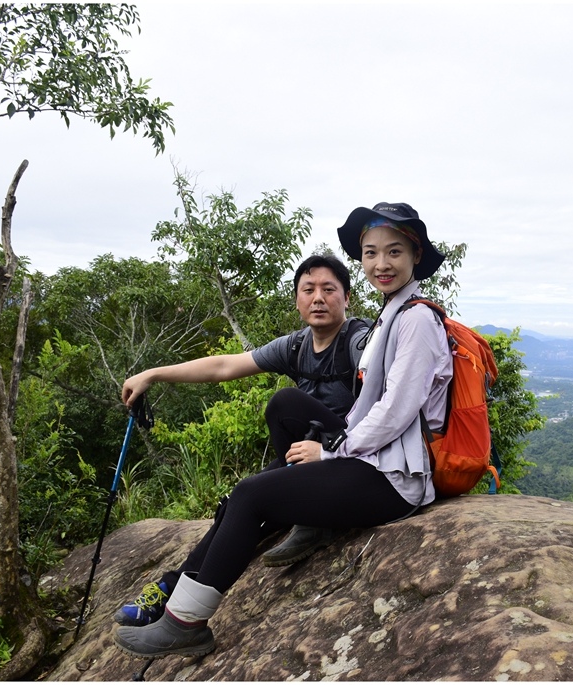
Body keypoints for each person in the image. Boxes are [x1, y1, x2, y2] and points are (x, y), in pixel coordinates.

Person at [113, 202, 452, 659]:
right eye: (371, 253)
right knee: (255, 479)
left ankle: (185, 623)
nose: (381, 263)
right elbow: (226, 366)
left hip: (395, 479)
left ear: (414, 255)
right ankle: (181, 601)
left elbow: (396, 410)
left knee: (252, 495)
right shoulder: (393, 313)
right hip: (372, 462)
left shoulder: (414, 319)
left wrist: (332, 453)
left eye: (394, 252)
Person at [113, 253, 369, 627]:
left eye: (329, 290)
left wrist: (331, 451)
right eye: (308, 289)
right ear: (297, 300)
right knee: (239, 503)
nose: (318, 298)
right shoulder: (296, 346)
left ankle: (311, 521)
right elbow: (224, 366)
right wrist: (153, 373)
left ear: (346, 298)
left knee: (284, 402)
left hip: (348, 463)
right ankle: (170, 590)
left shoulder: (360, 342)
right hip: (305, 462)